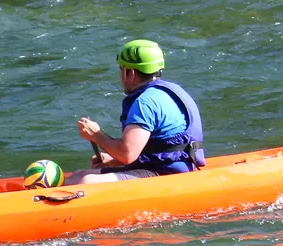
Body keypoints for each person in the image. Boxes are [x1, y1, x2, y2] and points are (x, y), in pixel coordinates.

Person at [65, 38, 205, 185]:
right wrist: (113, 161)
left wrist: (96, 135)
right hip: (178, 166)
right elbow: (158, 145)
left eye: (121, 69)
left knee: (84, 181)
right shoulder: (170, 91)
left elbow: (127, 154)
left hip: (165, 174)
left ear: (130, 73)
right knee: (78, 175)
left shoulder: (145, 103)